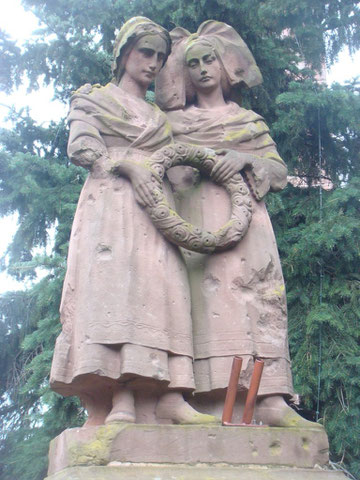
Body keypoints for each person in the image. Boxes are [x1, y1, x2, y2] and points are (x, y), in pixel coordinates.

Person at [50, 17, 217, 426]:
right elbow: (83, 147)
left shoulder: (160, 119)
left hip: (157, 212)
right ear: (125, 53)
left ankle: (169, 393)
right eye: (146, 52)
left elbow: (177, 172)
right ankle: (119, 395)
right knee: (115, 292)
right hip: (111, 204)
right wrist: (129, 165)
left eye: (160, 57)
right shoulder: (93, 98)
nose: (154, 63)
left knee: (163, 291)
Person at [156, 21, 317, 427]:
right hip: (197, 225)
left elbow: (277, 172)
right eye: (193, 63)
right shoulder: (174, 124)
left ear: (223, 64)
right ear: (185, 73)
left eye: (209, 59)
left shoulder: (248, 120)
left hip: (250, 228)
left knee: (260, 302)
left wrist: (246, 159)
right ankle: (207, 400)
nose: (203, 69)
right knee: (209, 306)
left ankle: (271, 399)